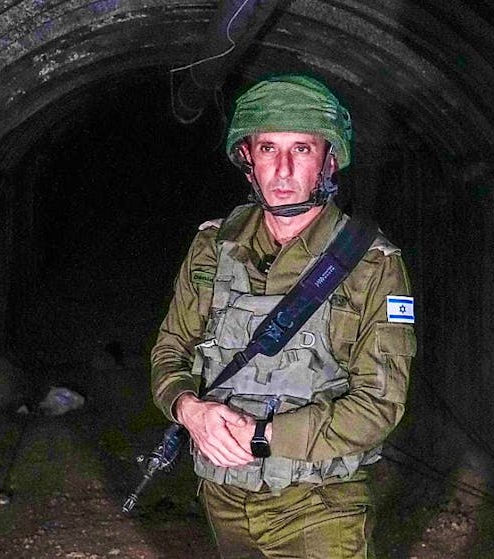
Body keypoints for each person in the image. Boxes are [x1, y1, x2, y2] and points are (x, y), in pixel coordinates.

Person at [150, 74, 416, 559]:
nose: (284, 170)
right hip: (222, 496)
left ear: (328, 161)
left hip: (318, 507)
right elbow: (171, 352)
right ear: (247, 158)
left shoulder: (372, 265)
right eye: (269, 148)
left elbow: (380, 406)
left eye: (302, 149)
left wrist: (262, 437)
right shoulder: (212, 247)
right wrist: (189, 410)